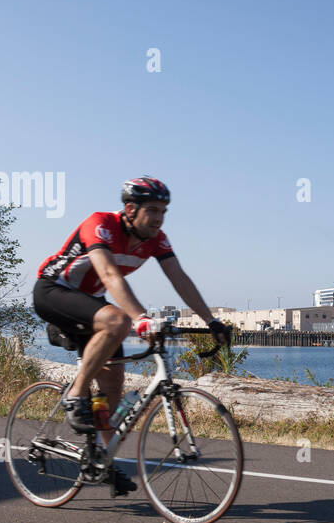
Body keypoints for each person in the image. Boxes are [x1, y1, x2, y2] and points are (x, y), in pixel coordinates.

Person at [33, 176, 230, 494]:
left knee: (114, 382)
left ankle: (102, 460)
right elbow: (109, 275)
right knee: (118, 321)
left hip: (90, 305)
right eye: (152, 210)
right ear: (129, 208)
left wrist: (211, 321)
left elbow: (179, 277)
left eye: (163, 211)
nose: (158, 218)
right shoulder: (100, 224)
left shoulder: (157, 240)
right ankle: (75, 395)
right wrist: (140, 319)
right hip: (54, 291)